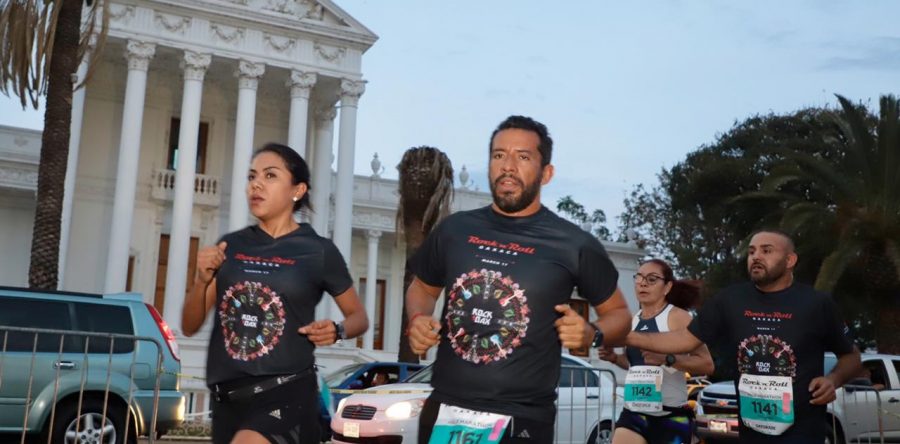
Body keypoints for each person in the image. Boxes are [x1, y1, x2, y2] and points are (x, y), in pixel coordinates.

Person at [406, 115, 632, 444]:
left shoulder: (573, 244)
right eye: (499, 155)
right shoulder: (455, 230)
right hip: (445, 410)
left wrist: (592, 333)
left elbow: (621, 316)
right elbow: (422, 287)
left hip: (522, 419)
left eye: (522, 157)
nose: (507, 166)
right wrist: (417, 318)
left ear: (547, 173)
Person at [181, 143, 369, 444]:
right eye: (252, 176)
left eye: (270, 176)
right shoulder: (231, 245)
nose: (256, 184)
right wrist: (201, 279)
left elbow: (359, 317)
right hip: (227, 399)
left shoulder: (319, 251)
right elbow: (189, 325)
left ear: (297, 190)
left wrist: (337, 330)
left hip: (286, 392)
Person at [626, 229, 861, 443]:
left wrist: (833, 380)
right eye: (751, 251)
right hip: (751, 432)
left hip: (803, 431)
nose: (756, 256)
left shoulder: (816, 304)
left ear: (790, 260)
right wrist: (625, 336)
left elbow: (851, 358)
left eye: (766, 250)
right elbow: (684, 340)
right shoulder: (730, 300)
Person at [600, 259, 713, 444]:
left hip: (670, 416)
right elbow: (636, 365)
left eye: (652, 279)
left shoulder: (678, 317)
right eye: (639, 278)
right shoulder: (632, 320)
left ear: (667, 287)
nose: (643, 283)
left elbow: (707, 364)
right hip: (634, 412)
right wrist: (614, 358)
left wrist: (668, 359)